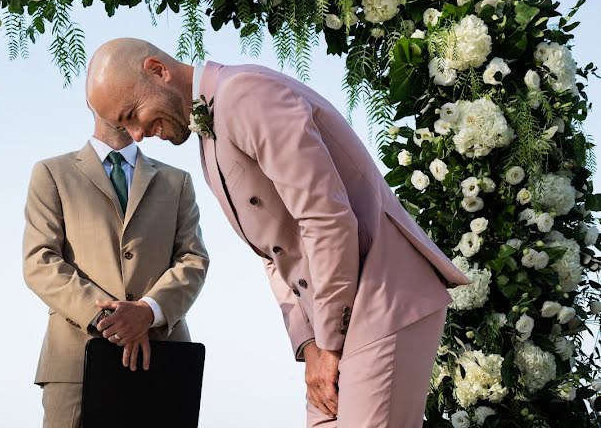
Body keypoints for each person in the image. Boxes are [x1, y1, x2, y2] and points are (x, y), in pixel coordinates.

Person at [85, 38, 470, 428]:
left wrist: (329, 340)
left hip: (382, 295)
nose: (135, 135)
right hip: (331, 323)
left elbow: (325, 217)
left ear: (157, 70)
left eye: (132, 114)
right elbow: (273, 252)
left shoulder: (247, 94)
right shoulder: (208, 135)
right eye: (123, 126)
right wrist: (309, 344)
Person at [23, 110, 209, 428]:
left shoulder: (176, 182)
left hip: (162, 359)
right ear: (93, 97)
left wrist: (148, 312)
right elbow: (39, 261)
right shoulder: (52, 173)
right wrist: (114, 320)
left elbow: (193, 260)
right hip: (75, 364)